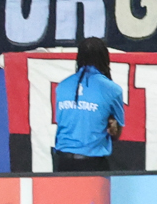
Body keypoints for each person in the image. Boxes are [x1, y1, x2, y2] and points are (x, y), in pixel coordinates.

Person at [51, 37, 126, 172]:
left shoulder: (62, 86)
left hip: (63, 163)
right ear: (105, 58)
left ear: (79, 57)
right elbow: (116, 133)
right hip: (93, 165)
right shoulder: (112, 90)